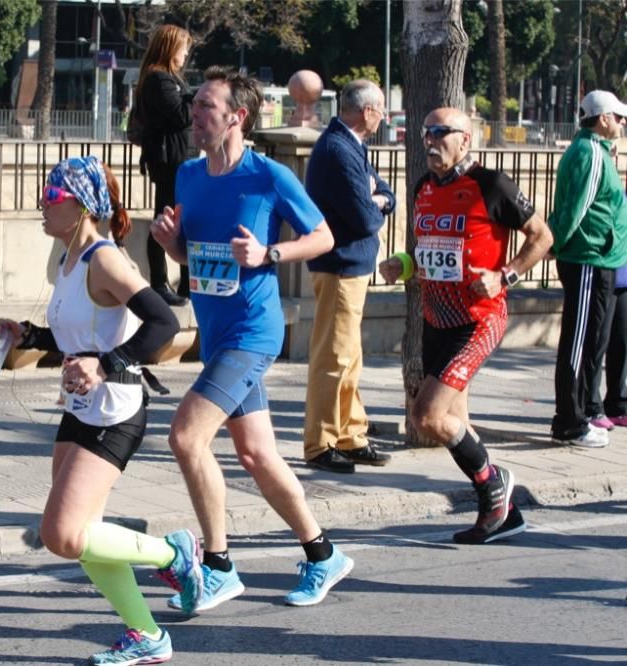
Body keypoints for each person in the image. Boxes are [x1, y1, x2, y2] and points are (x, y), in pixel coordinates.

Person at [152, 66, 353, 612]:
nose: (194, 116)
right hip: (217, 333)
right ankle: (322, 553)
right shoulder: (189, 176)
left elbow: (324, 235)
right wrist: (173, 245)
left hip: (253, 331)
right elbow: (194, 257)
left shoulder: (268, 176)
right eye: (195, 106)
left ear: (237, 117)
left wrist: (270, 254)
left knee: (186, 438)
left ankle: (217, 566)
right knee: (257, 454)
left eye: (205, 109)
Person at [0, 156, 200, 665]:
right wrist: (31, 336)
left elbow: (162, 326)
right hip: (81, 408)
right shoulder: (67, 259)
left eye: (52, 196)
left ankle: (174, 554)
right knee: (88, 537)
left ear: (82, 206)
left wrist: (106, 366)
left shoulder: (106, 260)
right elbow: (80, 335)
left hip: (115, 411)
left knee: (62, 534)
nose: (42, 204)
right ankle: (146, 635)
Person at [378, 107, 552, 544]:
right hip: (436, 319)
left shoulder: (492, 185)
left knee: (426, 415)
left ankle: (495, 484)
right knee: (455, 423)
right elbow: (428, 250)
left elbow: (542, 237)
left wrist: (504, 274)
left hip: (479, 319)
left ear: (465, 140)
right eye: (425, 132)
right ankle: (503, 513)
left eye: (441, 132)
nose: (430, 140)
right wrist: (401, 263)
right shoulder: (422, 188)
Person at [302, 79, 395, 474]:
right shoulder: (338, 148)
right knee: (334, 356)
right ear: (368, 111)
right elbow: (365, 217)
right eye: (381, 110)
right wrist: (377, 201)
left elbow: (384, 193)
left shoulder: (349, 144)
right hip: (340, 264)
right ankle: (320, 442)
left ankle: (349, 434)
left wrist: (378, 197)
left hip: (350, 265)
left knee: (349, 357)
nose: (384, 118)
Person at [548, 90, 627, 448]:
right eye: (618, 116)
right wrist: (556, 242)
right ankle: (570, 420)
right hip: (587, 258)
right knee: (579, 344)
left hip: (596, 258)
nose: (623, 122)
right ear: (603, 118)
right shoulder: (590, 152)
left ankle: (579, 414)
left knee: (589, 340)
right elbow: (577, 208)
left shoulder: (593, 150)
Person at [137, 24, 193, 307]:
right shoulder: (159, 79)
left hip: (176, 159)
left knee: (179, 219)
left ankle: (186, 281)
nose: (185, 54)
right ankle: (159, 281)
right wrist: (198, 98)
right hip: (168, 160)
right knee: (165, 218)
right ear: (171, 48)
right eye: (183, 49)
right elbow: (181, 115)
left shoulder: (169, 78)